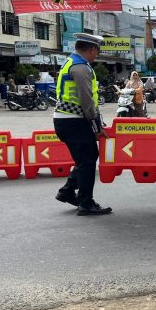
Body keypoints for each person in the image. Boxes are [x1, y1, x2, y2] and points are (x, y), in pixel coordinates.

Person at [53, 33, 112, 216]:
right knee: (87, 161)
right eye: (97, 51)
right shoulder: (80, 67)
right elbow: (86, 101)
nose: (96, 55)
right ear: (92, 49)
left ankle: (68, 191)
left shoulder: (71, 62)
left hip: (67, 119)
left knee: (86, 158)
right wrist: (97, 127)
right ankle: (86, 203)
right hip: (74, 120)